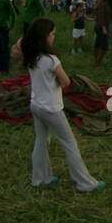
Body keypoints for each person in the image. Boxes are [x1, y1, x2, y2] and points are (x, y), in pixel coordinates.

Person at [20, 17, 102, 193]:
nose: (53, 37)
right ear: (44, 36)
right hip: (51, 108)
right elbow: (65, 82)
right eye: (52, 34)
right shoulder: (51, 60)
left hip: (36, 104)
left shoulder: (30, 54)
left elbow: (16, 48)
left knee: (41, 142)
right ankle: (85, 182)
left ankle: (41, 179)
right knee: (70, 144)